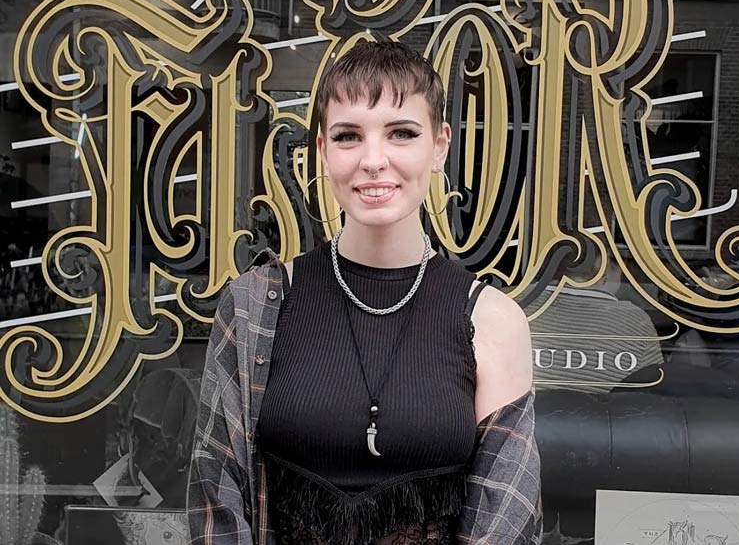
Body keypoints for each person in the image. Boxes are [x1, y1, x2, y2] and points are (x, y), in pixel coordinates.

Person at [187, 40, 542, 544]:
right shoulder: (253, 307)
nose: (374, 160)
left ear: (439, 146)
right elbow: (217, 504)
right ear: (322, 151)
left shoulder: (491, 320)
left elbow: (505, 521)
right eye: (349, 136)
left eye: (402, 133)